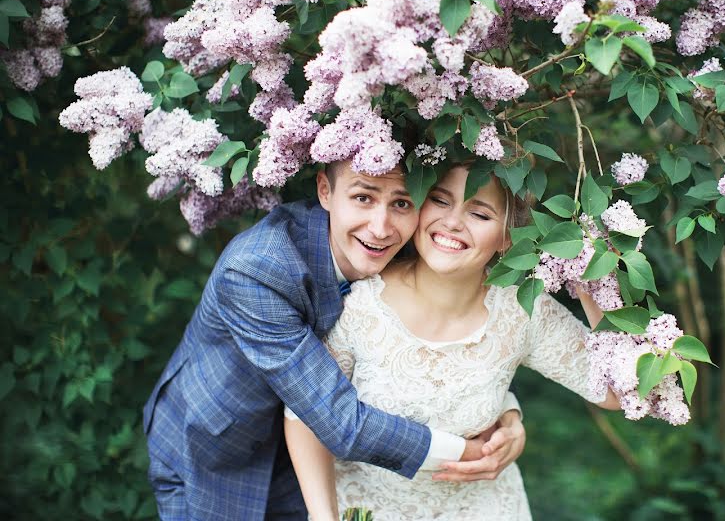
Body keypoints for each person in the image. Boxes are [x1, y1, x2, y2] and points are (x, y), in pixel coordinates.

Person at [143, 160, 526, 520]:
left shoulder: (407, 243)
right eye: (363, 197)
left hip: (307, 455)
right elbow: (342, 422)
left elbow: (435, 341)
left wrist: (506, 413)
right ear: (325, 191)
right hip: (214, 449)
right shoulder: (257, 268)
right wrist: (469, 454)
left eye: (402, 202)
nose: (380, 227)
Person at [285, 164, 622, 520]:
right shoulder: (357, 304)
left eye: (478, 213)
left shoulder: (523, 309)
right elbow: (304, 415)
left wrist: (590, 280)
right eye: (439, 201)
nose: (452, 222)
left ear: (508, 236)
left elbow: (617, 391)